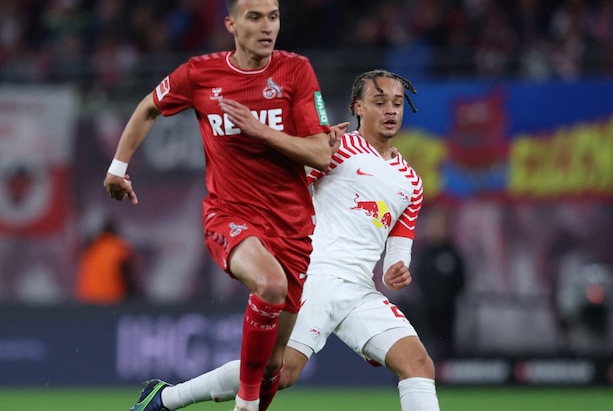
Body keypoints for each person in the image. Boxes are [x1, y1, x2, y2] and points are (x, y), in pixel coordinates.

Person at [129, 69, 440, 411]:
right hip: (316, 275)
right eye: (379, 102)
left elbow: (399, 242)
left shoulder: (410, 181)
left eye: (396, 103)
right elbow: (282, 182)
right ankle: (166, 398)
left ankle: (164, 397)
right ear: (358, 107)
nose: (390, 110)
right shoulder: (336, 148)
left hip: (359, 289)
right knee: (280, 372)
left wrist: (398, 267)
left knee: (418, 364)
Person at [106, 0, 340, 411]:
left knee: (276, 368)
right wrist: (119, 167)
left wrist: (259, 129)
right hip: (229, 215)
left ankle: (164, 400)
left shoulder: (296, 70)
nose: (267, 27)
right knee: (269, 284)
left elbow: (319, 154)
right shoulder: (200, 73)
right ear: (231, 24)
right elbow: (149, 107)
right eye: (254, 17)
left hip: (292, 227)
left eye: (273, 17)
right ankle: (245, 405)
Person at [415, 205, 465, 359]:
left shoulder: (452, 252)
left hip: (448, 309)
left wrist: (448, 297)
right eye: (434, 224)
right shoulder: (425, 253)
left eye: (440, 224)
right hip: (427, 309)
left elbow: (461, 279)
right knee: (427, 342)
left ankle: (448, 371)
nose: (436, 229)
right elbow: (419, 278)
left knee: (447, 343)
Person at [74, 217, 140, 304]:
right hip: (111, 299)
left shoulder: (93, 247)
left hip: (87, 299)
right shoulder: (118, 247)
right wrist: (135, 296)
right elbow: (127, 274)